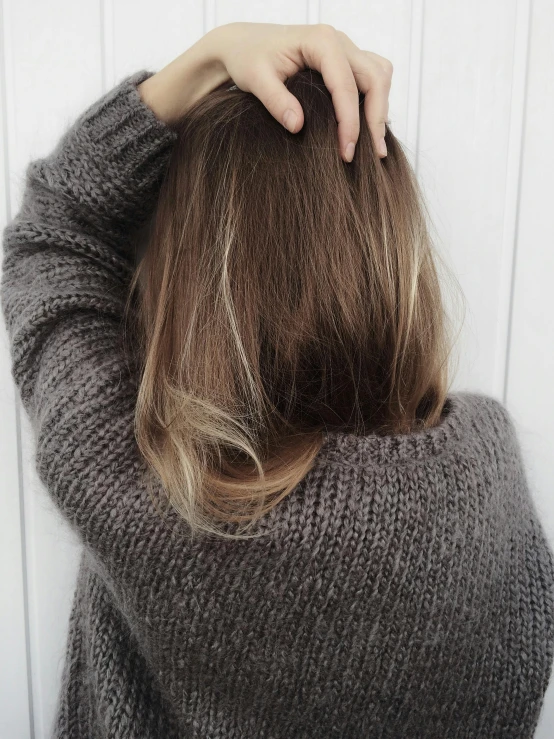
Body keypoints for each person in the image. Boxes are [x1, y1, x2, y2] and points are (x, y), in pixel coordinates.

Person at [1, 21, 553, 739]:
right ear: (389, 254)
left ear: (195, 278)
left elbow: (55, 229)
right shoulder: (491, 490)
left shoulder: (139, 486)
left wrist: (204, 57)